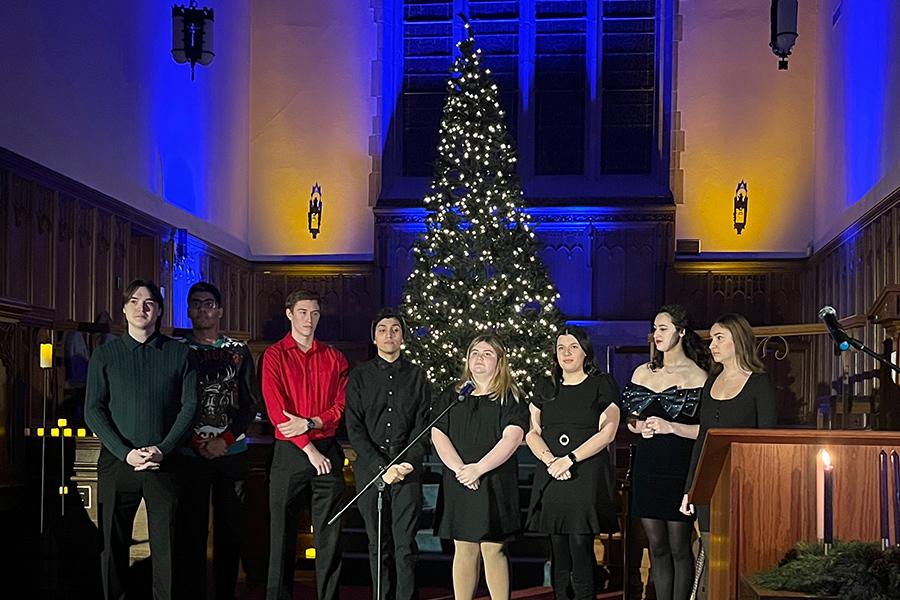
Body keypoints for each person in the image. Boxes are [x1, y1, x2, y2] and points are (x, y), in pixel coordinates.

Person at [85, 279, 198, 600]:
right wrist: (125, 452)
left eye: (149, 303)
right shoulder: (105, 355)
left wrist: (163, 449)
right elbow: (93, 410)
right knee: (112, 544)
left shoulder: (180, 353)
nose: (141, 308)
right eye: (134, 301)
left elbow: (190, 406)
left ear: (159, 310)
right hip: (118, 462)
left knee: (168, 546)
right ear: (124, 309)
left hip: (165, 462)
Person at [680, 313, 777, 599]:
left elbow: (767, 443)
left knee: (739, 560)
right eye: (711, 339)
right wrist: (690, 489)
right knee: (712, 557)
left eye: (719, 338)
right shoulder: (711, 383)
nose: (712, 345)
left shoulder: (759, 384)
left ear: (738, 340)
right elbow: (703, 439)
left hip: (744, 487)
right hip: (710, 486)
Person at [261, 289, 349, 600]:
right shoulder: (274, 355)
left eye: (314, 313)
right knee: (281, 535)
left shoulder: (335, 357)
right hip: (290, 453)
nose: (309, 319)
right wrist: (308, 448)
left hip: (327, 450)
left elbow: (340, 407)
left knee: (330, 537)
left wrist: (311, 423)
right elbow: (276, 412)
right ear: (289, 314)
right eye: (302, 312)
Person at [176, 281, 260, 600]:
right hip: (189, 454)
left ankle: (226, 593)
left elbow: (250, 404)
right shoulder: (177, 350)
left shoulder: (238, 351)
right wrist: (194, 441)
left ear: (220, 311)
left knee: (230, 530)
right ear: (188, 310)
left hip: (230, 452)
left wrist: (224, 439)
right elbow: (170, 402)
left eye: (209, 304)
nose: (203, 309)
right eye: (196, 303)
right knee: (190, 531)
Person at [431, 334, 529, 600]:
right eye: (474, 353)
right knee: (463, 547)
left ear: (499, 361)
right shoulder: (453, 394)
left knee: (492, 548)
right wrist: (460, 469)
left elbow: (512, 437)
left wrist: (478, 469)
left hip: (493, 480)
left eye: (487, 354)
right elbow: (438, 432)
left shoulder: (509, 396)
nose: (479, 358)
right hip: (460, 478)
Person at [526, 326, 621, 600]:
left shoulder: (602, 383)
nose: (566, 353)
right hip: (551, 472)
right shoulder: (545, 386)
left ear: (585, 352)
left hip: (584, 472)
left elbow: (608, 431)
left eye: (573, 347)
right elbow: (532, 432)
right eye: (561, 348)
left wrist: (569, 459)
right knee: (557, 546)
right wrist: (551, 461)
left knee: (580, 544)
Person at [621, 305, 709, 600]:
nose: (656, 334)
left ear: (681, 331)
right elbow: (630, 419)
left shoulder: (698, 375)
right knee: (656, 546)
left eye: (663, 328)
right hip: (648, 466)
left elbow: (705, 430)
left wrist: (671, 426)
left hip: (679, 467)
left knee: (679, 546)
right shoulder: (642, 371)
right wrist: (639, 427)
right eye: (654, 329)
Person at [345, 309, 432, 600]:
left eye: (395, 330)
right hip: (371, 469)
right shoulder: (359, 376)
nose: (389, 335)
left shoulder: (417, 376)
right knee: (378, 544)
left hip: (407, 469)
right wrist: (380, 466)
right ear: (374, 337)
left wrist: (406, 463)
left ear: (403, 337)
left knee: (405, 545)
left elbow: (423, 426)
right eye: (382, 330)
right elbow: (354, 427)